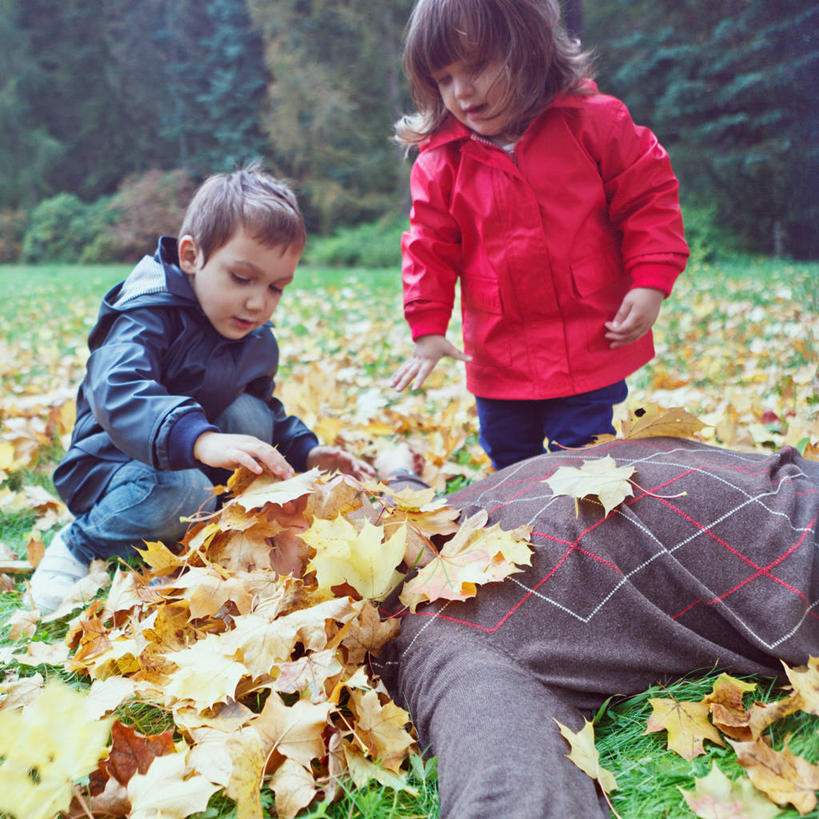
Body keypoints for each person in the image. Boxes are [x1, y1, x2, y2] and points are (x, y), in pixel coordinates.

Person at [373, 436, 819, 817]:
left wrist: (394, 468)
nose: (307, 492)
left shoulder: (409, 522)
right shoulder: (435, 637)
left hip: (793, 477)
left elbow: (397, 500)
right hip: (801, 567)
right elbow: (508, 784)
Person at [30, 166, 373, 615]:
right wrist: (201, 438)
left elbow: (264, 409)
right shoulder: (146, 313)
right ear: (191, 256)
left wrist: (306, 451)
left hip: (189, 461)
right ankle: (79, 544)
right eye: (242, 278)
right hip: (110, 465)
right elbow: (120, 389)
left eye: (275, 287)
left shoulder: (251, 336)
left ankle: (212, 524)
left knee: (248, 415)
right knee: (182, 491)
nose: (258, 302)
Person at [390, 0, 690, 469]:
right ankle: (518, 539)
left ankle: (585, 539)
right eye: (444, 79)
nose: (462, 91)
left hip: (590, 340)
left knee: (584, 457)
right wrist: (426, 327)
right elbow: (428, 247)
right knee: (511, 460)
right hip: (499, 353)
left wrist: (651, 280)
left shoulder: (595, 123)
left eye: (477, 67)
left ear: (527, 48)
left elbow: (648, 198)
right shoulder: (442, 161)